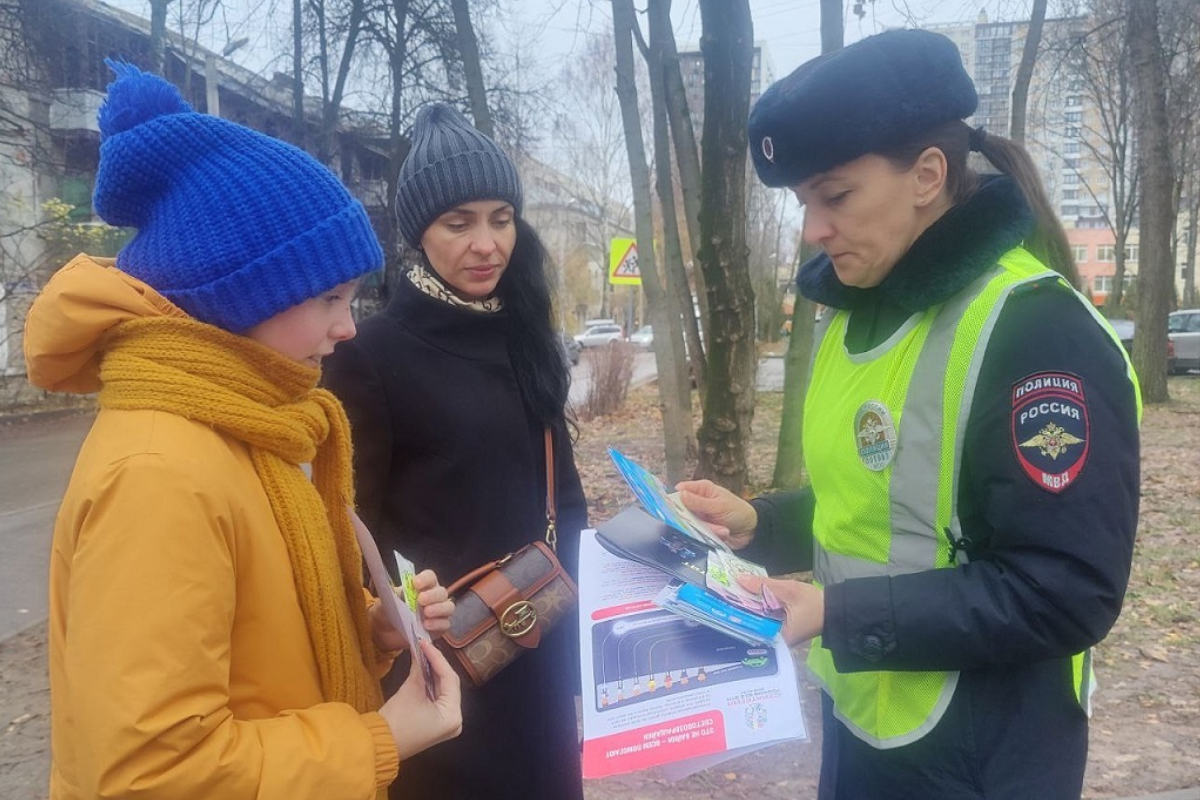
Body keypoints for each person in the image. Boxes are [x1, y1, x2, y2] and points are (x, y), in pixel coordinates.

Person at [676, 29, 1141, 800]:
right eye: (802, 203)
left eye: (835, 195)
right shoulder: (859, 315)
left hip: (980, 754)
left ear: (927, 175)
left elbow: (1064, 589)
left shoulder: (1033, 331)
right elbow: (884, 503)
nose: (812, 229)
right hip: (864, 720)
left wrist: (836, 614)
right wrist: (759, 523)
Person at [23, 62, 463, 800]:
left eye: (354, 297)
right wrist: (379, 740)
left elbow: (255, 644)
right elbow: (148, 774)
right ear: (239, 293)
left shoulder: (248, 427)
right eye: (329, 295)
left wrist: (373, 630)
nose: (348, 327)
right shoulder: (160, 475)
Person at [322, 104, 587, 800]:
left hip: (538, 649)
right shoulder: (371, 354)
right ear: (419, 235)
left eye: (501, 218)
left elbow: (565, 499)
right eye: (459, 222)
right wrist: (396, 635)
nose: (487, 244)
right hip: (445, 675)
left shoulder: (525, 335)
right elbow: (351, 532)